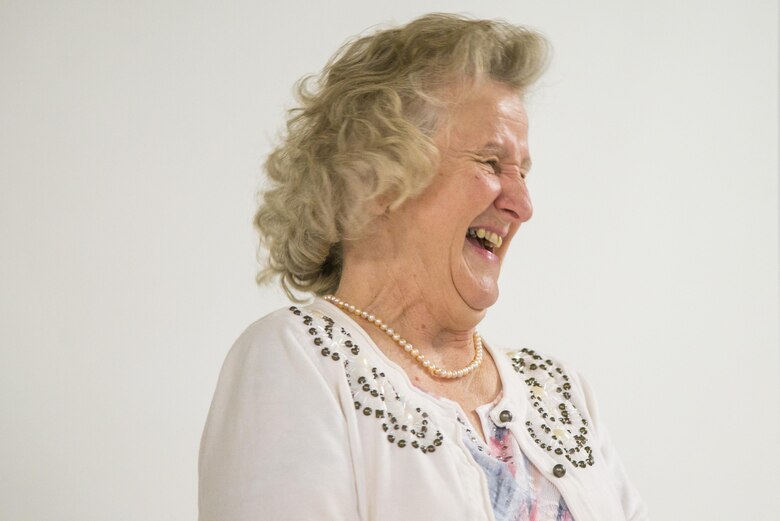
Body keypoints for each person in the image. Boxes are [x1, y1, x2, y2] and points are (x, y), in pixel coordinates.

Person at [199, 13, 647, 521]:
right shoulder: (299, 360)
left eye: (523, 172)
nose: (523, 203)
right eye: (490, 163)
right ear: (377, 181)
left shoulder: (558, 390)